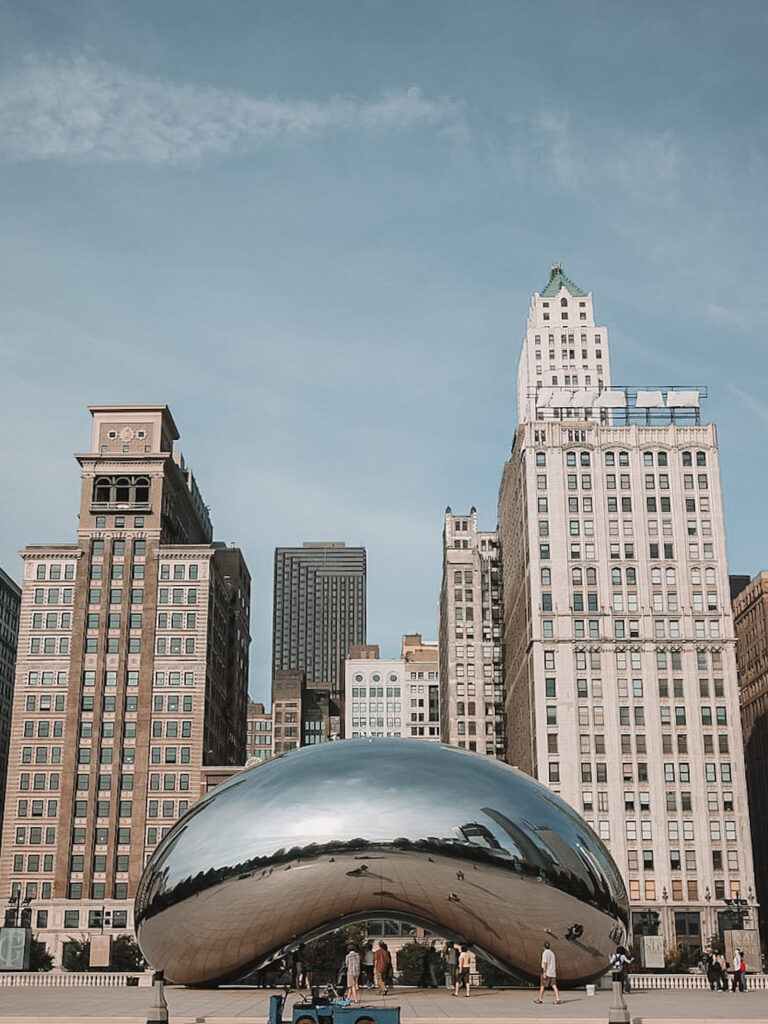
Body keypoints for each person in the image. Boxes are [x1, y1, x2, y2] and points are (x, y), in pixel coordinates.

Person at [534, 941, 561, 1005]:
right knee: (554, 986)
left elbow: (545, 963)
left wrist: (544, 972)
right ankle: (558, 999)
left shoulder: (545, 953)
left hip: (547, 972)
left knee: (542, 985)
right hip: (552, 972)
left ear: (544, 947)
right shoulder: (552, 953)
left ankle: (540, 999)